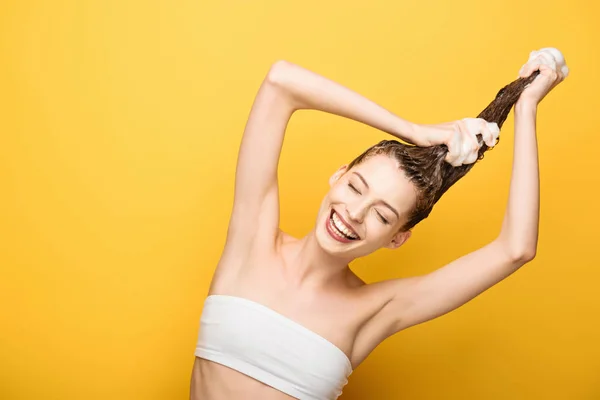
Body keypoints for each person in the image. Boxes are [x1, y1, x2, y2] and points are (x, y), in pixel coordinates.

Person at [190, 51, 567, 400]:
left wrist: (526, 109)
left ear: (398, 238)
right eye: (355, 187)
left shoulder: (377, 309)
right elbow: (281, 82)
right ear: (339, 175)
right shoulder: (251, 239)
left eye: (383, 215)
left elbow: (516, 249)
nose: (354, 213)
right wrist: (412, 131)